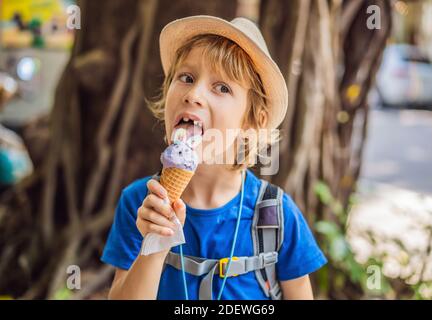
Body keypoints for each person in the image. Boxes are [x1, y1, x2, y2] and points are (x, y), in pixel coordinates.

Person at [101, 15, 327, 300]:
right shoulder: (139, 203)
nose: (193, 94)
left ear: (252, 122)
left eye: (222, 87)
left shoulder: (276, 215)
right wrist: (155, 243)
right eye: (186, 77)